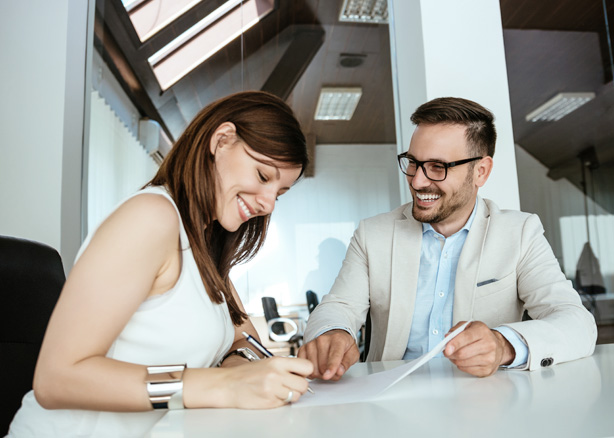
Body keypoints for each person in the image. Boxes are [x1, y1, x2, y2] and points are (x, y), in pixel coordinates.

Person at [8, 91, 314, 438]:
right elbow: (57, 379)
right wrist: (219, 384)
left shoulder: (206, 246)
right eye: (262, 176)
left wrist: (241, 371)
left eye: (281, 193)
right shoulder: (152, 218)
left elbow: (240, 341)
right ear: (222, 140)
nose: (269, 204)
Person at [299, 97, 597, 380]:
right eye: (413, 162)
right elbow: (339, 306)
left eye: (437, 167)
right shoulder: (372, 234)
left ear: (480, 171)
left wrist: (503, 345)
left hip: (483, 404)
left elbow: (576, 322)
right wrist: (334, 333)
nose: (417, 180)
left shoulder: (520, 233)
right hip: (388, 402)